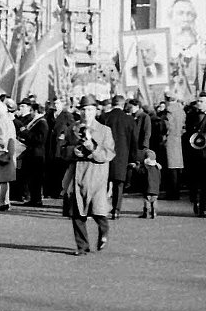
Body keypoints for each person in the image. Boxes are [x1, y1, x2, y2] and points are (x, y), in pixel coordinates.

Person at [61, 95, 116, 255]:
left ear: (96, 111)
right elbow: (62, 150)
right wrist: (73, 151)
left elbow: (109, 154)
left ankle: (103, 231)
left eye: (90, 109)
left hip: (96, 176)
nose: (86, 113)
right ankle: (82, 246)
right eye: (84, 109)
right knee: (77, 213)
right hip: (76, 175)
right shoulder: (72, 129)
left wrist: (92, 148)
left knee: (98, 211)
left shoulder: (105, 131)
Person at [100, 94, 137, 219]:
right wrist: (133, 158)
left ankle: (101, 208)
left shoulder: (104, 117)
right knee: (119, 183)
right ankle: (116, 210)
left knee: (103, 182)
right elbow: (134, 140)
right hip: (122, 154)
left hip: (105, 153)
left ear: (112, 103)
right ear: (123, 104)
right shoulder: (129, 120)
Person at [16, 99, 49, 207]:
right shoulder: (38, 122)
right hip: (32, 153)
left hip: (37, 154)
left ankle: (37, 199)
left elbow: (39, 139)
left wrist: (25, 133)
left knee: (36, 178)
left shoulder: (42, 123)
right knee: (31, 178)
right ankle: (33, 199)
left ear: (35, 111)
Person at [0, 99, 18, 211]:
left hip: (2, 152)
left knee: (1, 179)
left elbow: (1, 137)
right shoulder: (9, 120)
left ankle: (1, 202)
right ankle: (6, 201)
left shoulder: (0, 120)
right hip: (10, 151)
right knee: (6, 179)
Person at [162, 94, 185, 201]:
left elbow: (168, 126)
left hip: (170, 140)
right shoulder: (181, 111)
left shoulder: (169, 111)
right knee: (176, 167)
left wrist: (163, 137)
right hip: (178, 139)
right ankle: (176, 192)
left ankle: (171, 193)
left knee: (170, 167)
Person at [138, 148, 161, 218]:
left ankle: (146, 212)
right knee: (154, 200)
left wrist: (137, 166)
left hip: (147, 187)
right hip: (156, 188)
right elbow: (159, 178)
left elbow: (140, 172)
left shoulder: (146, 168)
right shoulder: (157, 168)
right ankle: (154, 212)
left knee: (147, 200)